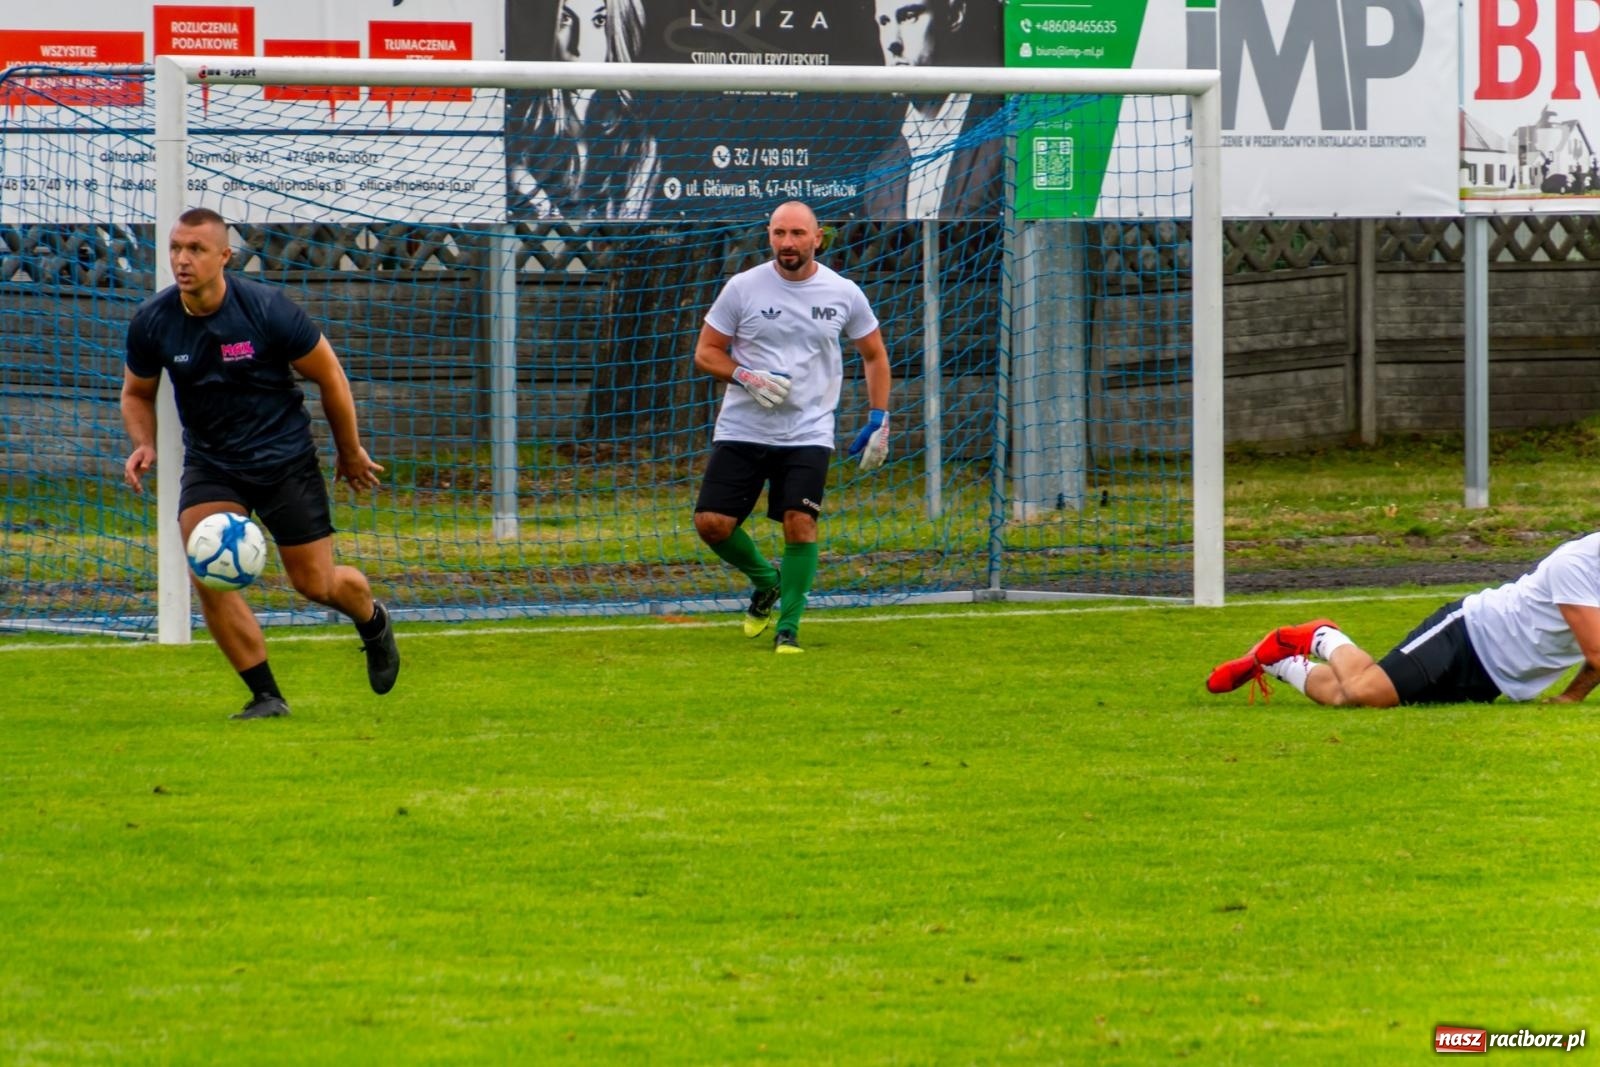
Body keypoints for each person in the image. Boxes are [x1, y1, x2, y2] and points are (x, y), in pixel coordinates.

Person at [121, 207, 400, 720]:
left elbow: (331, 376)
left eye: (196, 249)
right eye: (176, 248)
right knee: (207, 567)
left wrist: (350, 450)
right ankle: (266, 695)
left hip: (284, 460)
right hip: (214, 464)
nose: (182, 260)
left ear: (225, 256)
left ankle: (372, 618)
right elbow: (137, 393)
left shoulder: (267, 311)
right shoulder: (153, 322)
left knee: (316, 584)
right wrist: (144, 443)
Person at [691, 201, 892, 654]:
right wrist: (744, 375)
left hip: (809, 431)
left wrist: (879, 417)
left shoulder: (843, 292)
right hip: (743, 428)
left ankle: (789, 630)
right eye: (779, 233)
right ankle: (767, 582)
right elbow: (706, 352)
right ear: (769, 236)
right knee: (711, 525)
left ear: (818, 237)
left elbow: (874, 354)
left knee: (800, 524)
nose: (788, 242)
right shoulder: (742, 288)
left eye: (798, 233)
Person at [1206, 533, 1600, 706]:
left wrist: (1570, 696)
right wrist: (1571, 696)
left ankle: (1283, 663)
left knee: (1349, 697)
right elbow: (1597, 653)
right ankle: (1321, 636)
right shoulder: (1576, 565)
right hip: (1468, 635)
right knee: (1364, 692)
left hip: (1499, 676)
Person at [505, 0, 659, 221]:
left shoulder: (638, 143)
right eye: (566, 20)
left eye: (599, 21)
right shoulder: (520, 124)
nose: (580, 46)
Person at [863, 0, 1003, 220]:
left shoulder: (1005, 135)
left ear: (955, 15)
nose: (892, 42)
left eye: (908, 16)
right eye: (884, 22)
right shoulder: (879, 172)